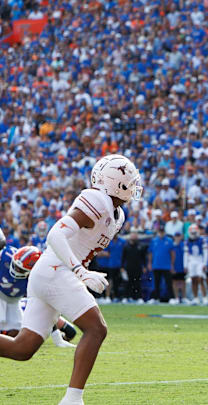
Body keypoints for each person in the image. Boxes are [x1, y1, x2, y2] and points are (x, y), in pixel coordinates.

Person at [0, 154, 142, 404]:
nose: (133, 186)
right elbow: (55, 235)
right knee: (96, 329)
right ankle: (73, 399)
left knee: (22, 349)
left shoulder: (117, 214)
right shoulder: (96, 199)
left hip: (51, 272)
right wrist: (81, 272)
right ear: (114, 181)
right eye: (129, 180)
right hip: (57, 269)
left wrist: (81, 269)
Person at [0, 245, 77, 348]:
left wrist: (57, 338)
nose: (16, 270)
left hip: (15, 301)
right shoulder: (5, 256)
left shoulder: (37, 280)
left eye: (20, 269)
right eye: (15, 266)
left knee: (16, 333)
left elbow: (46, 307)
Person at [148, 226, 175, 303]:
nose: (161, 233)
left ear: (164, 232)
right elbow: (150, 253)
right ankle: (155, 298)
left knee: (168, 283)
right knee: (156, 283)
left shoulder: (169, 241)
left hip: (166, 265)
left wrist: (172, 264)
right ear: (158, 232)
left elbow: (172, 253)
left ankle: (172, 298)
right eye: (160, 232)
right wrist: (150, 263)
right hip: (156, 265)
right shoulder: (154, 241)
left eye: (162, 232)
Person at [185, 224, 208, 305]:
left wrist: (205, 263)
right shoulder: (187, 241)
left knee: (201, 279)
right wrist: (185, 265)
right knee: (193, 280)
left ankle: (205, 298)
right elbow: (185, 254)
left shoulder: (202, 240)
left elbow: (206, 252)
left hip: (199, 259)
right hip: (191, 260)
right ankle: (195, 298)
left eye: (194, 233)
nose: (193, 235)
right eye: (192, 233)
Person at [122, 231, 146, 302]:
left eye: (135, 236)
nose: (133, 237)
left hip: (138, 267)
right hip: (128, 267)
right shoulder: (126, 247)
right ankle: (126, 297)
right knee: (128, 283)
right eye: (132, 236)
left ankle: (138, 298)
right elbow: (123, 258)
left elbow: (143, 258)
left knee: (137, 283)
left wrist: (144, 266)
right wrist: (122, 267)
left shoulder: (140, 246)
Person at [169, 232, 187, 304]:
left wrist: (186, 266)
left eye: (178, 236)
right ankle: (176, 298)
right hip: (175, 266)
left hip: (182, 266)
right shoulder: (172, 245)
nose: (177, 237)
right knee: (175, 282)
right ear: (174, 237)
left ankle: (184, 298)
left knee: (183, 282)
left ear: (181, 236)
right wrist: (171, 266)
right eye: (176, 236)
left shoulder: (184, 245)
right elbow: (170, 257)